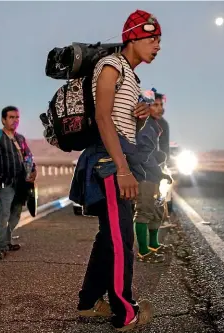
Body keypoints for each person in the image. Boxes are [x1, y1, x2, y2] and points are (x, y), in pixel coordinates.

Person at [71, 9, 161, 331]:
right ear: (133, 37)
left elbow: (122, 124)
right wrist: (122, 169)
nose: (158, 46)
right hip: (109, 163)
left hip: (116, 158)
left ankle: (88, 302)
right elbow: (103, 118)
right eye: (153, 38)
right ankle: (126, 312)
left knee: (108, 239)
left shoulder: (130, 75)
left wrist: (139, 117)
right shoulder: (110, 65)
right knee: (121, 241)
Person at [0, 106, 36, 260]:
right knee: (4, 213)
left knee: (16, 213)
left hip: (21, 183)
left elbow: (28, 157)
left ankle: (6, 241)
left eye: (17, 117)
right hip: (4, 182)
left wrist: (33, 171)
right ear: (3, 119)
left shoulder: (20, 138)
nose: (15, 120)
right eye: (11, 117)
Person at [133, 89, 172, 264]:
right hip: (146, 176)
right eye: (155, 105)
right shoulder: (145, 126)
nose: (160, 108)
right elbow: (144, 155)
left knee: (157, 210)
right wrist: (160, 172)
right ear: (146, 106)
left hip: (154, 176)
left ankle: (153, 244)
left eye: (161, 105)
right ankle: (143, 251)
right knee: (144, 211)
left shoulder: (154, 125)